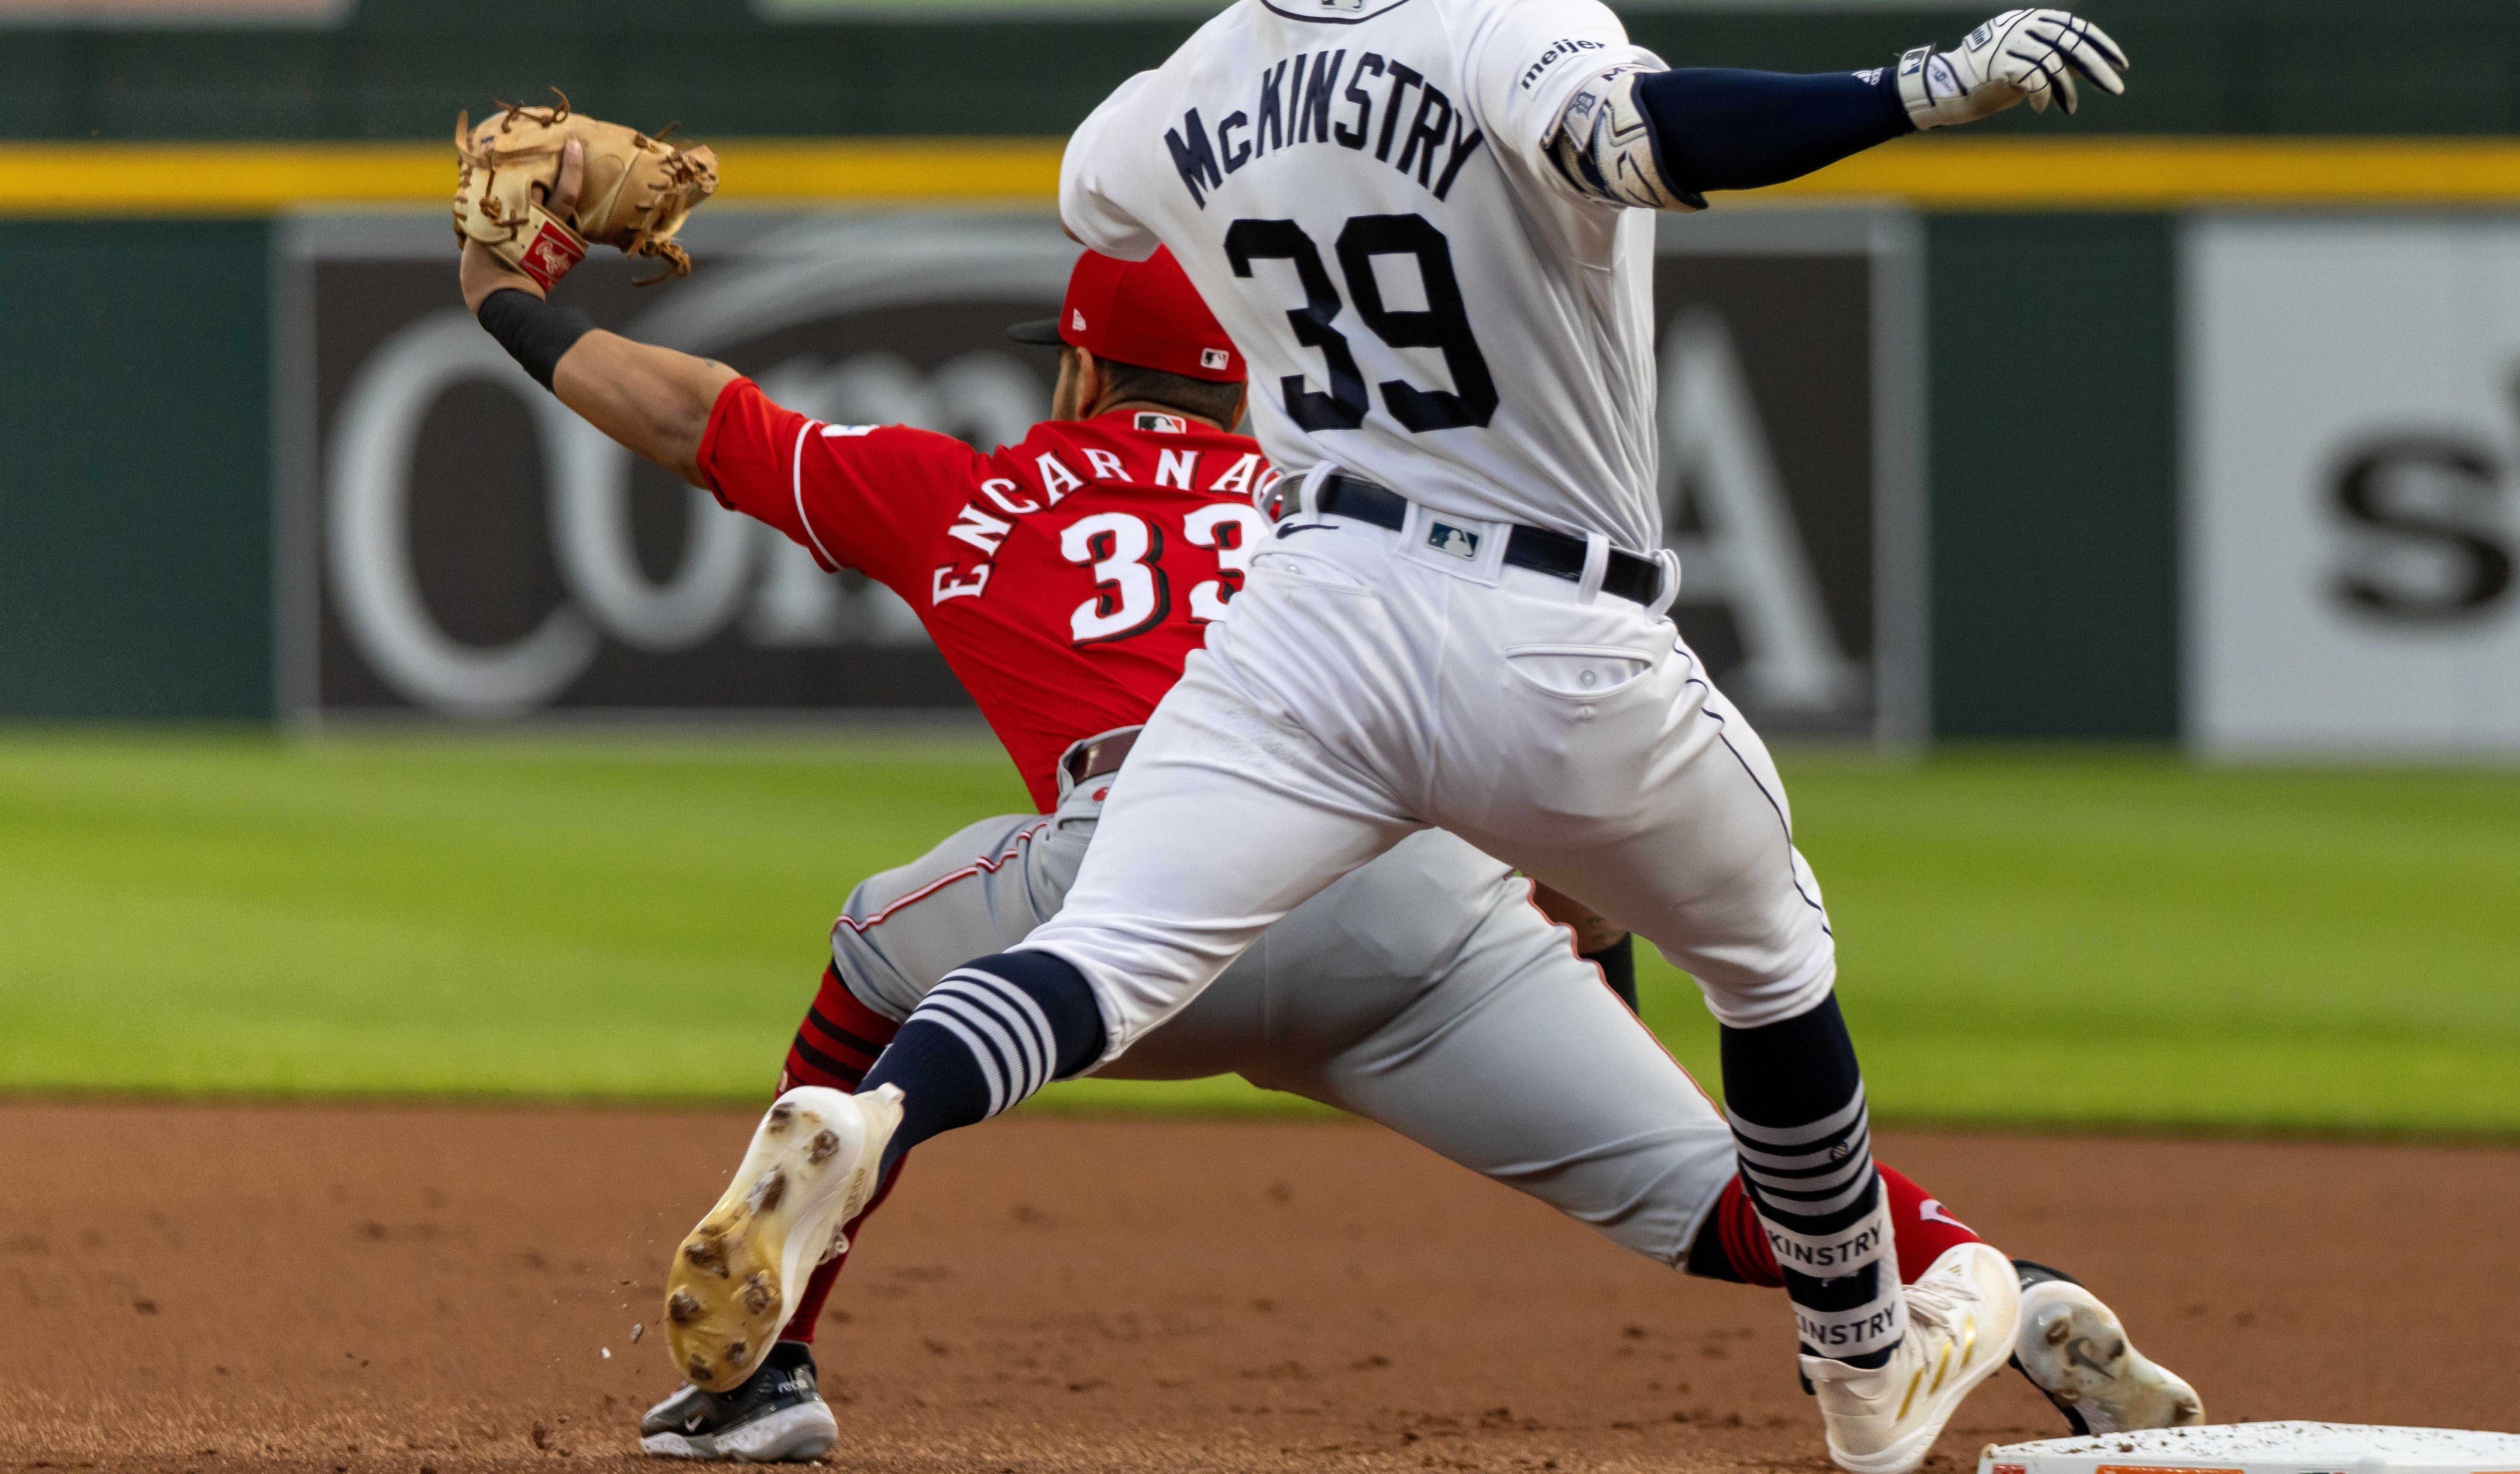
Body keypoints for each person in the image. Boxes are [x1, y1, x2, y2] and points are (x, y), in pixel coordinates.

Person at [642, 0, 2131, 1474]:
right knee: (1768, 962)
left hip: (1316, 621)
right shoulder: (1519, 30)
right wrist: (1914, 87)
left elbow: (1097, 190)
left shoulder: (1194, 74)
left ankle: (872, 1129)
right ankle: (1858, 1370)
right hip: (1552, 631)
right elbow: (1655, 141)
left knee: (1101, 952)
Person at [462, 237, 2195, 1461]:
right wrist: (1586, 948)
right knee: (1716, 1197)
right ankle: (2003, 1285)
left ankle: (780, 1362)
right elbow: (1559, 776)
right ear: (1245, 382)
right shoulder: (1337, 496)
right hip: (1416, 918)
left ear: (1074, 365)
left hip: (1138, 886)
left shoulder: (968, 488)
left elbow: (692, 415)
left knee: (870, 952)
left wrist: (508, 301)